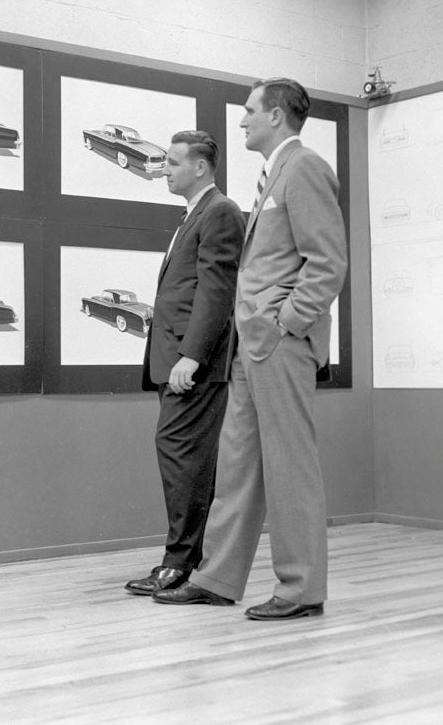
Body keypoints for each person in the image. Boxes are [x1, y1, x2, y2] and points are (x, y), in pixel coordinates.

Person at [154, 78, 347, 620]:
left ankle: (301, 589)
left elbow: (328, 262)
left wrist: (287, 320)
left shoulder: (304, 168)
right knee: (237, 464)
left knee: (290, 468)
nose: (241, 120)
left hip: (280, 342)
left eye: (249, 111)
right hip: (252, 345)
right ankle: (216, 577)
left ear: (277, 116)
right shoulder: (274, 174)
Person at [125, 131, 244, 597]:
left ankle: (181, 563)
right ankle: (187, 562)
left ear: (200, 166)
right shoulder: (196, 213)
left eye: (173, 163)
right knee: (185, 459)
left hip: (192, 364)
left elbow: (217, 291)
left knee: (184, 458)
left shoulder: (220, 211)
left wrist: (191, 356)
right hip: (176, 359)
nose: (165, 170)